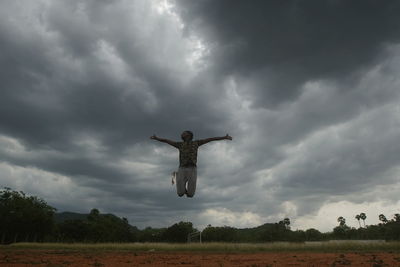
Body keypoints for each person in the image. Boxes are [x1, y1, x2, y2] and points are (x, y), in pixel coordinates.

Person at [150, 131, 232, 198]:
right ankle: (181, 184)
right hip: (182, 168)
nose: (182, 134)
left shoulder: (196, 143)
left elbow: (210, 139)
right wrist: (157, 138)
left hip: (192, 168)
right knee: (180, 194)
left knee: (191, 195)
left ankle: (188, 191)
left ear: (189, 135)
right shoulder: (180, 145)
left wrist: (224, 137)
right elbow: (167, 141)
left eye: (184, 133)